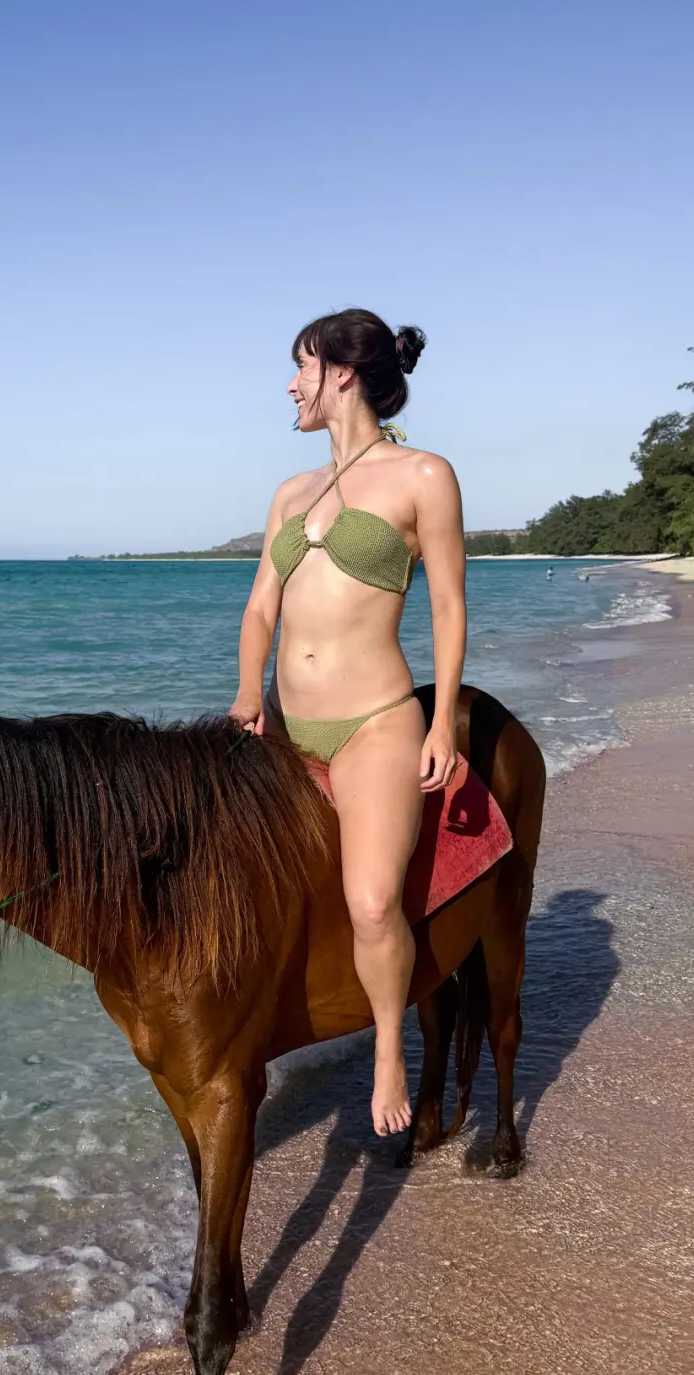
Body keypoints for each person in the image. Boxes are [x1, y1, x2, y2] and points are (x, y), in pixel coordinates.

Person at [229, 308, 466, 1136]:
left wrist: (439, 729)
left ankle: (390, 1047)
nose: (289, 385)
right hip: (288, 731)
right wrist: (248, 690)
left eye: (299, 366)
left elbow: (446, 605)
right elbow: (262, 604)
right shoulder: (290, 494)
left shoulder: (422, 476)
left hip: (376, 724)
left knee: (369, 903)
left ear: (340, 373)